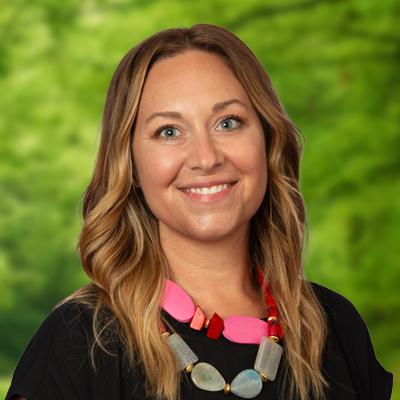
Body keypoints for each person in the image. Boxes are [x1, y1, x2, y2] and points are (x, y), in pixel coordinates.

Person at [6, 23, 393, 400]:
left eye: (228, 123)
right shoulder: (80, 340)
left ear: (267, 141)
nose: (206, 158)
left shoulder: (337, 328)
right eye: (169, 131)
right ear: (132, 166)